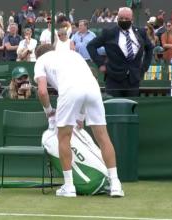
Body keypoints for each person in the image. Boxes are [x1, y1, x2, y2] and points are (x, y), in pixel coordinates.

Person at [34, 44, 124, 198]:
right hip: (93, 89)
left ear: (38, 56)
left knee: (63, 137)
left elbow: (42, 91)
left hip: (70, 91)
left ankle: (69, 187)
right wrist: (80, 117)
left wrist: (49, 112)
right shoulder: (74, 55)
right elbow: (85, 81)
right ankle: (115, 184)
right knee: (103, 137)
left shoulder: (41, 61)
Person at [87, 7, 153, 97]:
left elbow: (149, 48)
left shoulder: (141, 32)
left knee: (132, 107)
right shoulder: (109, 33)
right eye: (121, 18)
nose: (123, 20)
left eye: (126, 18)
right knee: (114, 107)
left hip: (133, 80)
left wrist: (144, 67)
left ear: (132, 19)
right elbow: (91, 46)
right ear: (117, 18)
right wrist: (100, 64)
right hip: (114, 79)